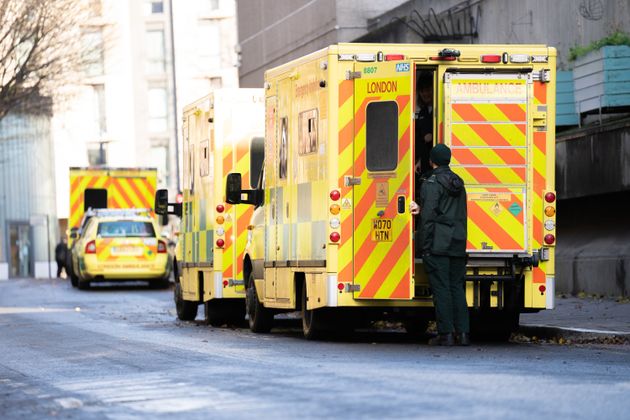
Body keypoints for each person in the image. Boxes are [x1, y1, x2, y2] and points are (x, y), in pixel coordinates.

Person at [411, 144, 469, 346]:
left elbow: (428, 217)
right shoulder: (458, 182)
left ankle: (445, 334)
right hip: (458, 241)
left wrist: (423, 246)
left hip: (438, 243)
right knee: (457, 288)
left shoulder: (431, 183)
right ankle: (462, 334)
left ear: (431, 161)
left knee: (441, 288)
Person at [414, 72, 433, 177]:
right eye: (422, 91)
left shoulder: (439, 110)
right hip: (425, 163)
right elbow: (421, 139)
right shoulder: (423, 112)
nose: (425, 93)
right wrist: (420, 160)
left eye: (428, 90)